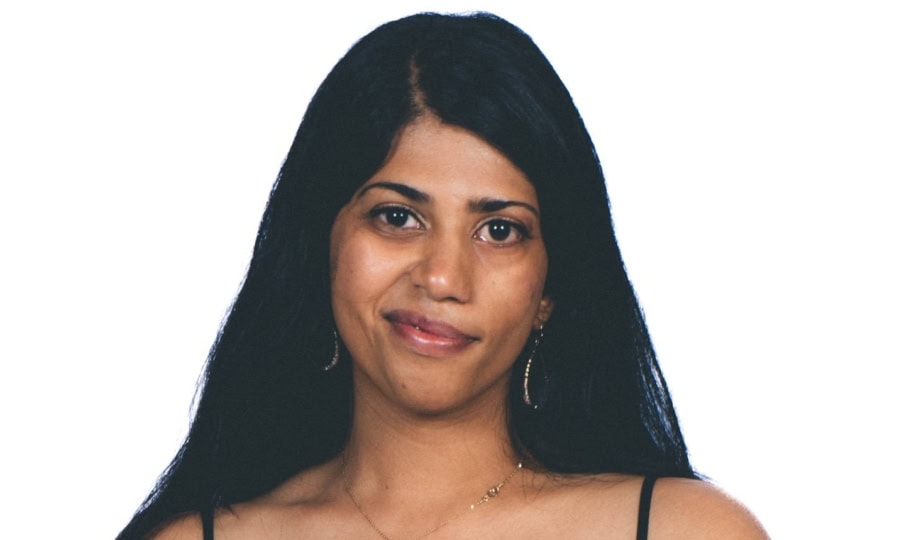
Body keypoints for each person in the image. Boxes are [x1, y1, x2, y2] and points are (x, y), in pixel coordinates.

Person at [119, 12, 767, 539]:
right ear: (321, 244)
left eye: (499, 230)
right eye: (397, 217)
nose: (442, 276)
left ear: (550, 291)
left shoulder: (679, 530)